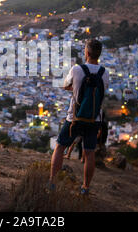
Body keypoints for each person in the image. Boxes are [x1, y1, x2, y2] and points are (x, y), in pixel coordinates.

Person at [49, 39, 109, 195]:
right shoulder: (105, 73)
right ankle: (85, 188)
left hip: (74, 118)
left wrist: (75, 88)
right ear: (99, 54)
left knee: (60, 147)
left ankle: (52, 183)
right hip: (94, 119)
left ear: (86, 53)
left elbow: (65, 85)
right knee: (89, 153)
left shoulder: (76, 70)